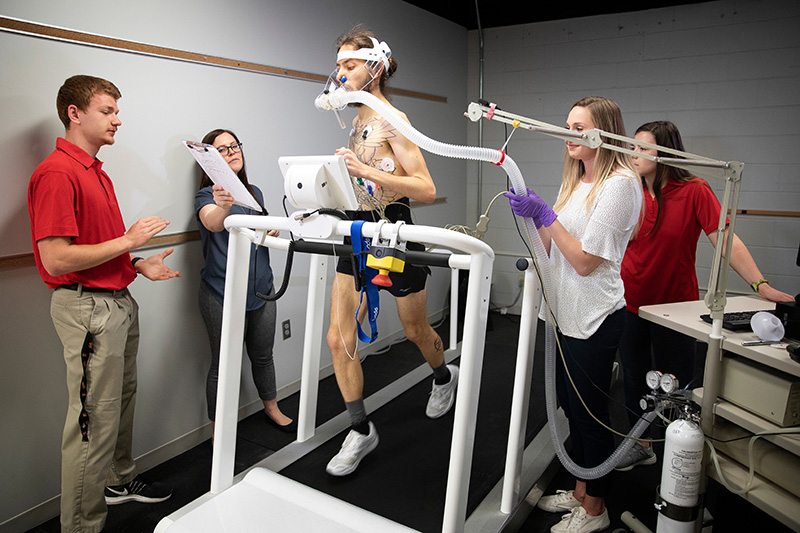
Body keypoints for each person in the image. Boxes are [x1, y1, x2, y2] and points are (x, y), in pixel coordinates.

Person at [27, 75, 180, 533]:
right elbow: (55, 258)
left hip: (115, 301)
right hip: (89, 311)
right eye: (108, 110)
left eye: (116, 110)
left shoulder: (95, 170)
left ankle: (116, 482)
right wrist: (128, 240)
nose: (118, 119)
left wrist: (134, 261)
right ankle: (81, 527)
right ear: (75, 114)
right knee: (93, 423)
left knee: (119, 404)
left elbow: (97, 246)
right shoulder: (58, 172)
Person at [614, 120, 795, 471]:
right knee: (635, 378)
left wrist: (762, 286)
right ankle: (641, 445)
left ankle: (682, 455)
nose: (634, 155)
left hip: (674, 308)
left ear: (665, 153)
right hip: (630, 302)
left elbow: (725, 239)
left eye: (643, 148)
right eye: (631, 148)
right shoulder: (628, 190)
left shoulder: (694, 190)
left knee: (678, 385)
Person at [323, 25, 457, 477]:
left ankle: (442, 376)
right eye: (338, 64)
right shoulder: (358, 117)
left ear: (375, 68)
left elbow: (425, 188)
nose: (340, 73)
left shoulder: (393, 121)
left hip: (395, 230)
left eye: (350, 64)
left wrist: (368, 172)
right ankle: (360, 430)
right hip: (356, 231)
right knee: (338, 340)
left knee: (415, 329)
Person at [507, 97, 642, 533]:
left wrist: (547, 215)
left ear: (602, 132)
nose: (568, 134)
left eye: (578, 127)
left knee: (589, 414)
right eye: (567, 125)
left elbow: (584, 261)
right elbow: (553, 252)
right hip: (564, 313)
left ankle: (596, 509)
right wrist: (534, 219)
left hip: (594, 317)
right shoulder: (578, 181)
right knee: (568, 404)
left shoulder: (620, 184)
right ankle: (583, 487)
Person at [195, 128, 293, 434]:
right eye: (222, 149)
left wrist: (270, 230)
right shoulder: (206, 196)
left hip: (261, 290)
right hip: (221, 293)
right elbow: (213, 222)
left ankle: (272, 408)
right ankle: (218, 430)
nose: (232, 151)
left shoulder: (255, 193)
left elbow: (256, 232)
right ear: (211, 161)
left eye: (234, 146)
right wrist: (223, 204)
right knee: (223, 364)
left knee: (263, 356)